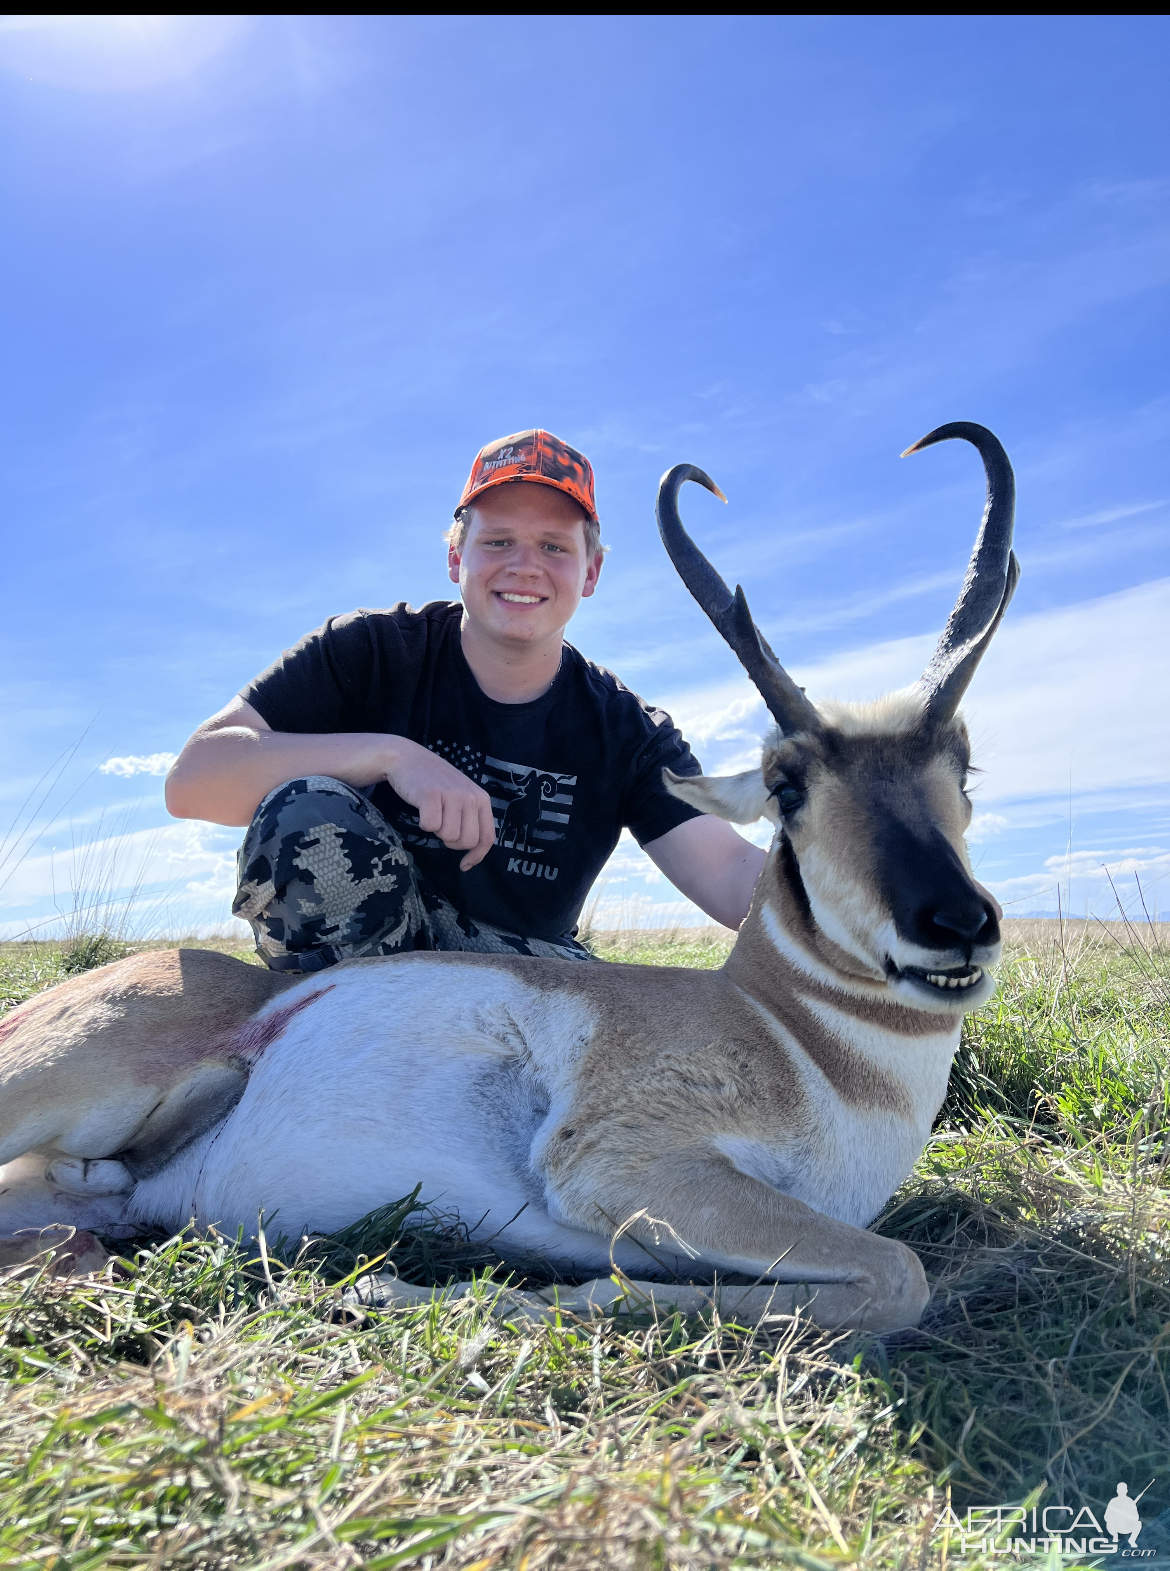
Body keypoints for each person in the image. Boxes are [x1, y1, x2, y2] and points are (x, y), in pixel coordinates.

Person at [166, 429, 765, 971]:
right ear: (456, 557)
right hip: (355, 977)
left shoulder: (627, 731)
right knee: (306, 807)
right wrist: (392, 756)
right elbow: (193, 780)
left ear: (592, 573)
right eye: (499, 541)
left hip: (518, 978)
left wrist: (843, 866)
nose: (525, 566)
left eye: (555, 547)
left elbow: (731, 874)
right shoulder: (367, 651)